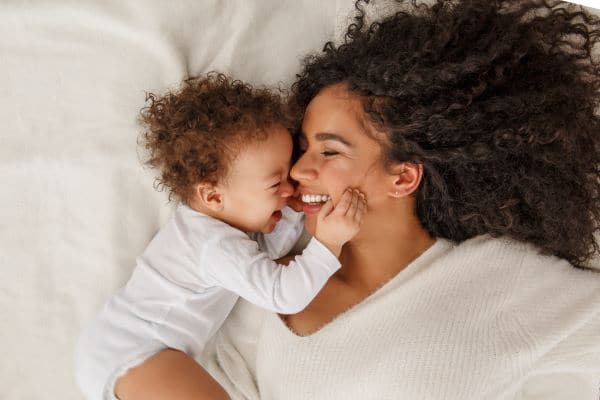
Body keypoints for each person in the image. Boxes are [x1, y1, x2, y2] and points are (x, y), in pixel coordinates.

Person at [196, 1, 600, 399]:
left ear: (403, 176)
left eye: (330, 151)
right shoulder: (267, 275)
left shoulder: (496, 279)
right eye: (302, 150)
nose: (299, 171)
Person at [74, 73, 367, 400]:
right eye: (276, 184)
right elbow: (281, 292)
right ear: (213, 196)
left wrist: (294, 209)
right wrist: (328, 244)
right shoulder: (212, 244)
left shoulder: (218, 225)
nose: (289, 189)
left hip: (125, 349)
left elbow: (266, 253)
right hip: (136, 350)